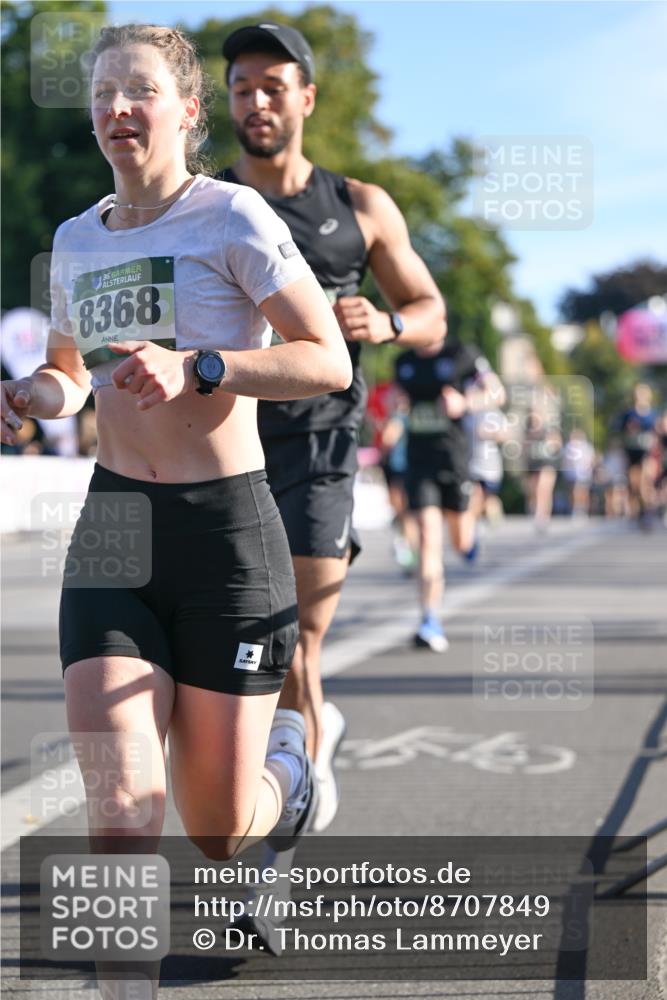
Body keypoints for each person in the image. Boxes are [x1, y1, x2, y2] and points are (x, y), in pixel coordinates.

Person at [1, 23, 351, 998]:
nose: (116, 108)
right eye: (103, 92)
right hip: (115, 528)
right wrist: (36, 395)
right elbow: (74, 376)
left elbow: (328, 359)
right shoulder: (76, 239)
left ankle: (293, 768)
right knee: (120, 808)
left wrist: (204, 363)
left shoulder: (233, 218)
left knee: (217, 826)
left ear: (189, 112)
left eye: (140, 90)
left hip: (226, 537)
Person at [220, 22, 445, 826]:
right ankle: (297, 756)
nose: (256, 102)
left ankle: (276, 851)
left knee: (293, 640)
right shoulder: (207, 204)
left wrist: (385, 324)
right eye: (242, 87)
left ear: (305, 99)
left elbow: (431, 311)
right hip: (227, 447)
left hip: (320, 445)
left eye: (272, 87)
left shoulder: (359, 206)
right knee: (243, 651)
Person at [395, 335, 505, 652]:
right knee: (429, 537)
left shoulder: (463, 353)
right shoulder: (404, 362)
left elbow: (497, 392)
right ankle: (429, 619)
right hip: (419, 461)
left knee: (460, 542)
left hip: (455, 460)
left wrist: (465, 404)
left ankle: (470, 538)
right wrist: (395, 404)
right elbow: (397, 397)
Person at [616, 382, 658, 526]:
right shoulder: (628, 413)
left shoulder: (653, 413)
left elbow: (657, 432)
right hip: (632, 451)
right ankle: (637, 511)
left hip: (647, 451)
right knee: (635, 484)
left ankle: (648, 510)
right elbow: (620, 432)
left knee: (646, 480)